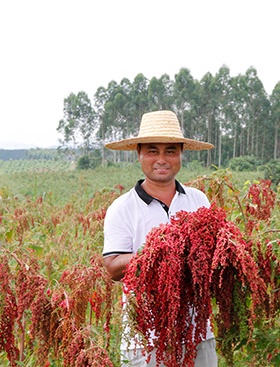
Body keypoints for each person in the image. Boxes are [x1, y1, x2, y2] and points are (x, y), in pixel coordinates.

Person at [102, 110, 218, 367]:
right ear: (139, 154)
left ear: (180, 155)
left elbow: (211, 254)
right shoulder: (122, 208)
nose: (162, 159)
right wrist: (157, 253)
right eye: (153, 151)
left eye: (170, 151)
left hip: (198, 333)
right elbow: (112, 268)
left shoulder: (198, 199)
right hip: (146, 339)